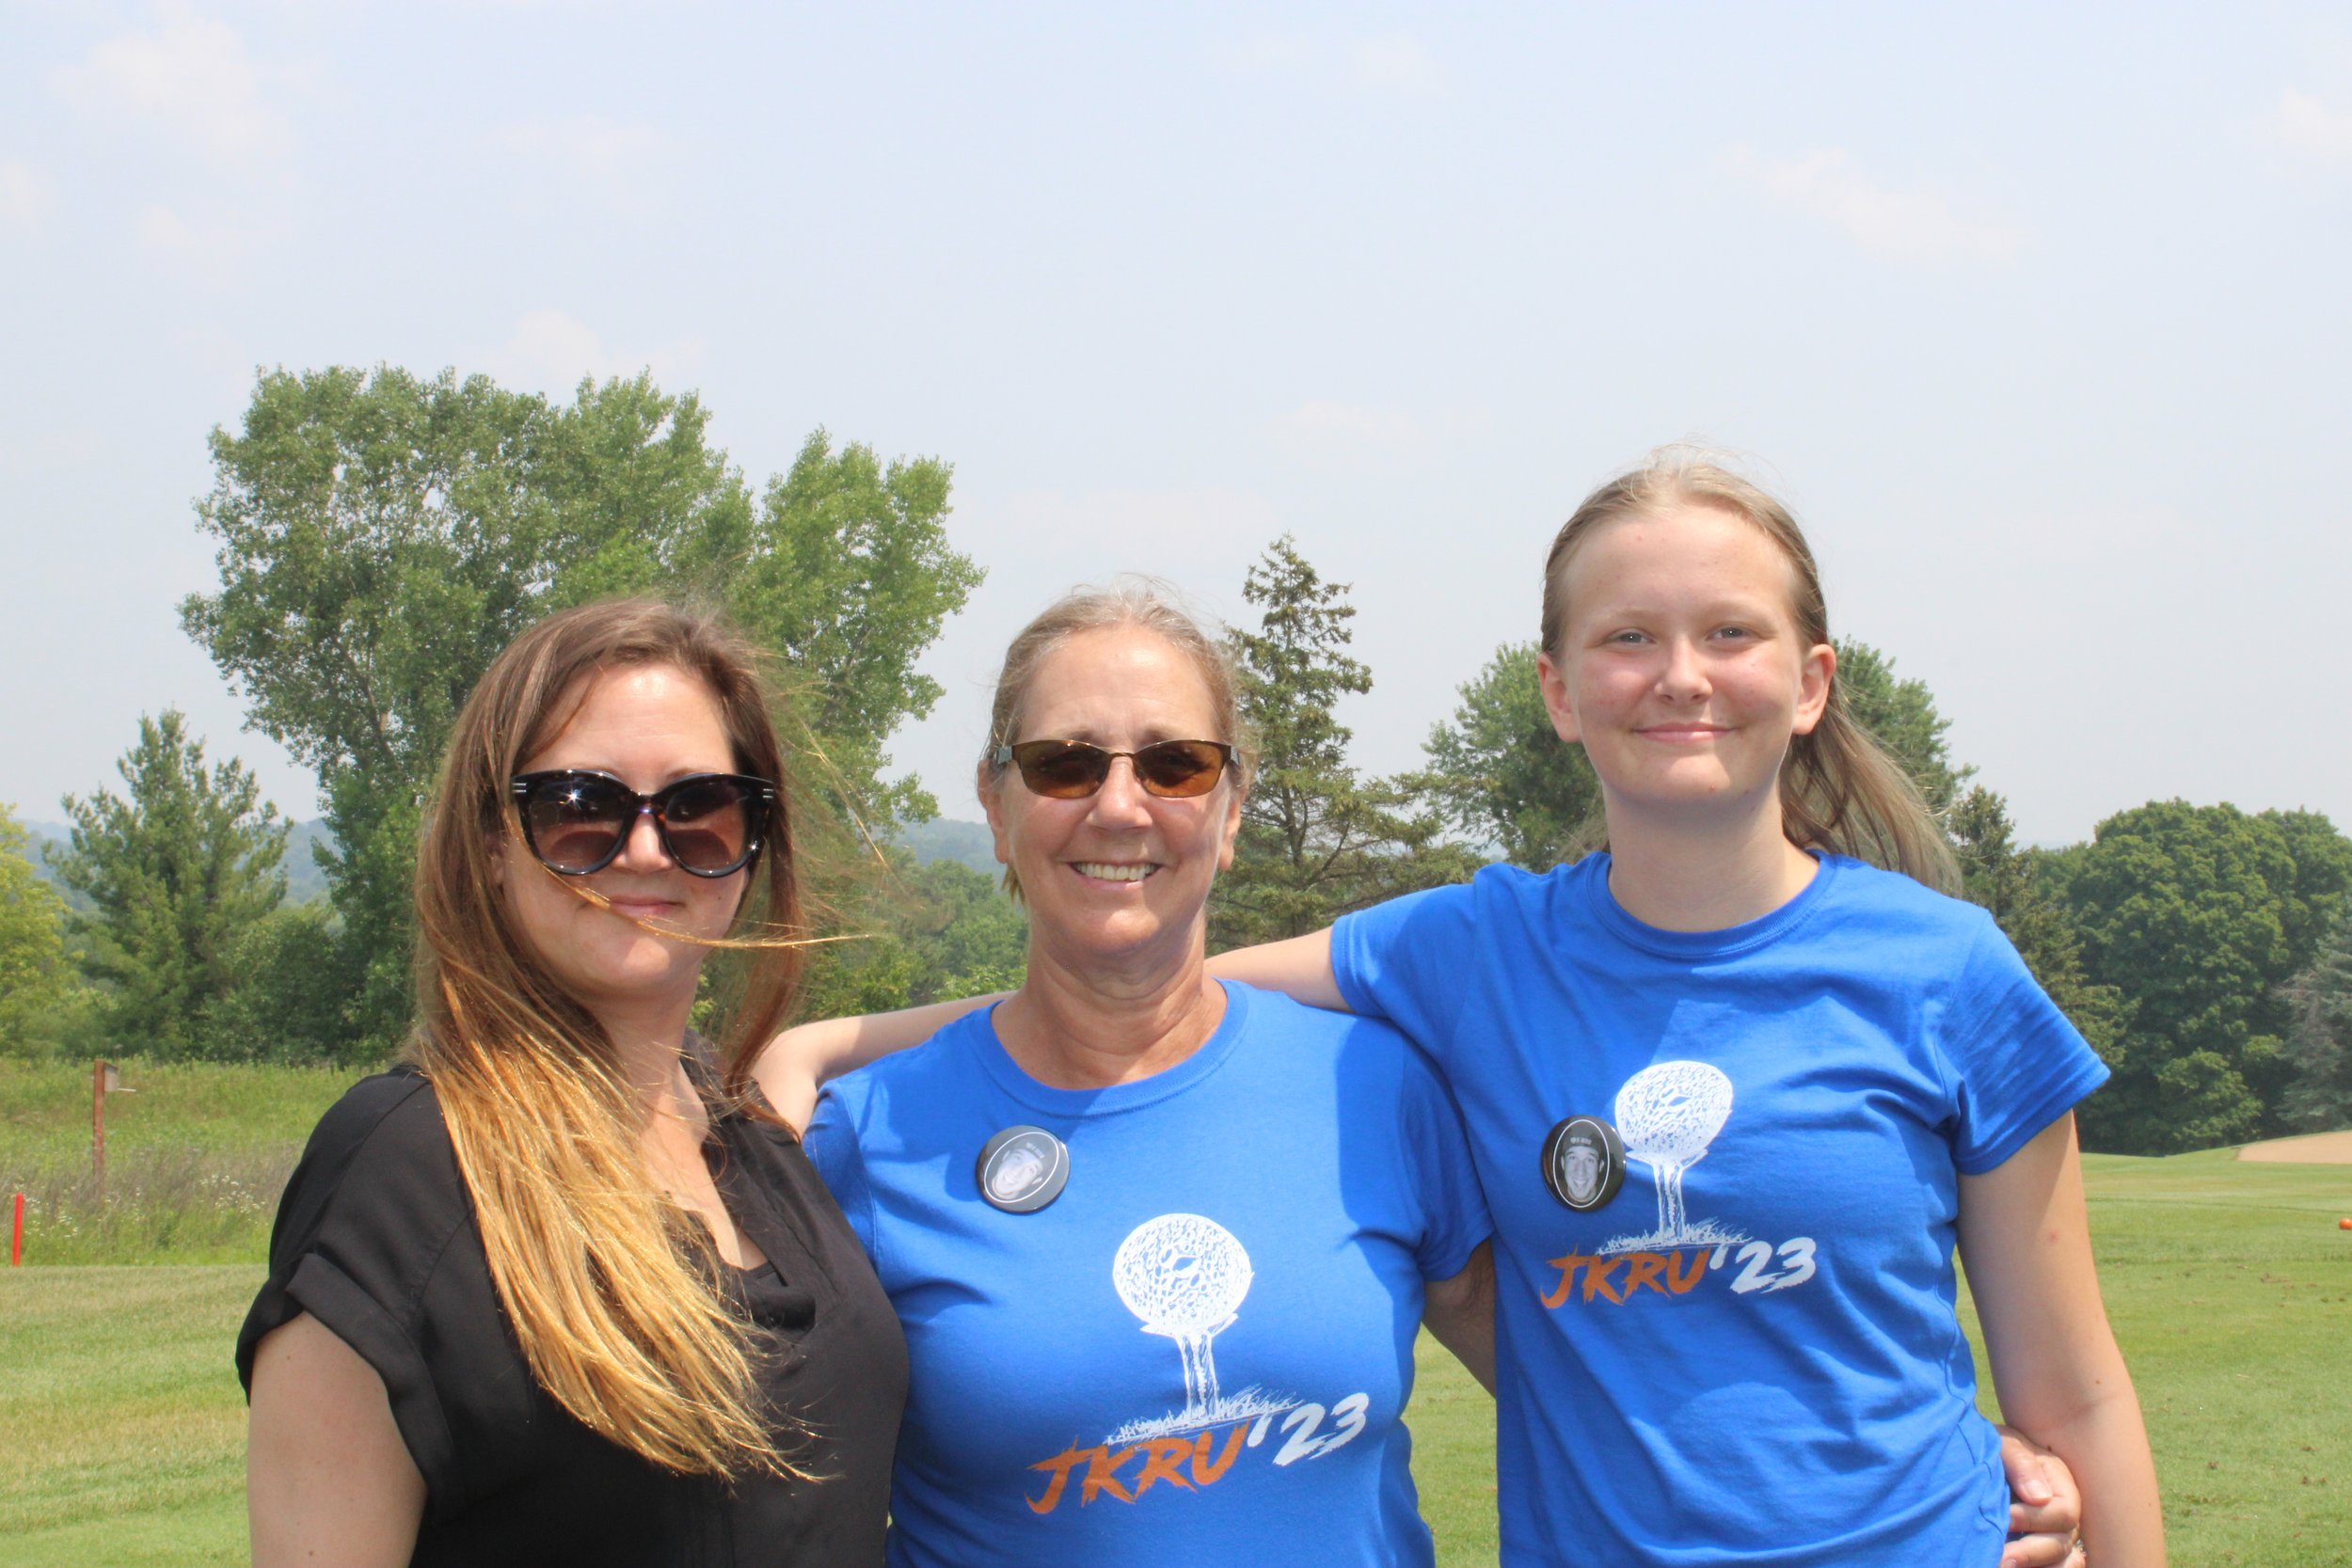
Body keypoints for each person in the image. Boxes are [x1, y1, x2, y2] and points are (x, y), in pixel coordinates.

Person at [1214, 452, 2164, 1564]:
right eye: (1628, 636)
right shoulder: (1472, 952)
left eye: (1729, 632)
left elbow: (2077, 1395)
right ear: (1558, 691)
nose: (1679, 676)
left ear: (1809, 682)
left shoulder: (1948, 968)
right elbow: (1154, 1000)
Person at [756, 588, 1499, 1567]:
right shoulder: (863, 1135)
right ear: (995, 805)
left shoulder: (1374, 1086)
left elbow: (1591, 1401)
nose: (1117, 805)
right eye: (1063, 764)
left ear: (1230, 809)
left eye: (1174, 763)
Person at [239, 600, 907, 1567]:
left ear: (753, 840)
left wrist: (1117, 987)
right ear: (491, 842)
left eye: (700, 807)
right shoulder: (407, 1167)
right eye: (579, 806)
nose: (645, 849)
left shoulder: (746, 1132)